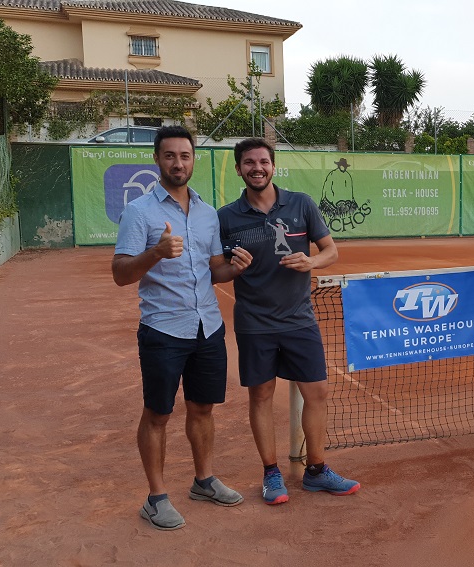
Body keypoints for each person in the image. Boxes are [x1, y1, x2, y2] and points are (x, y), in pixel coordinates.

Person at [112, 125, 252, 530]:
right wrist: (155, 253)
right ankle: (155, 498)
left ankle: (203, 481)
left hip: (207, 327)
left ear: (193, 160)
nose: (178, 162)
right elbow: (121, 273)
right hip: (163, 331)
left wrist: (235, 267)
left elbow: (214, 271)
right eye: (170, 155)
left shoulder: (208, 213)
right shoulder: (140, 212)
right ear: (157, 160)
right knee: (158, 413)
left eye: (185, 156)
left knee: (203, 408)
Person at [218, 138, 359, 505]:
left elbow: (331, 250)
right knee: (261, 397)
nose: (257, 168)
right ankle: (271, 474)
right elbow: (214, 271)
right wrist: (231, 268)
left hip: (300, 320)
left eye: (263, 161)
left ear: (273, 166)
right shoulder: (226, 217)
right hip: (254, 323)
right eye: (249, 162)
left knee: (318, 393)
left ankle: (316, 471)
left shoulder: (301, 204)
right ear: (238, 169)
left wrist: (312, 262)